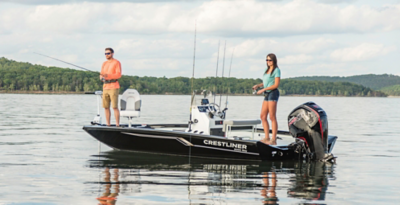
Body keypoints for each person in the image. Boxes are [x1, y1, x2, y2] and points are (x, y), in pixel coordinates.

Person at [252, 53, 281, 145]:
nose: (268, 62)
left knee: (272, 116)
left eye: (270, 60)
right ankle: (267, 137)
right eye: (267, 60)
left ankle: (273, 138)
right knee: (263, 116)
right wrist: (258, 85)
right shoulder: (266, 70)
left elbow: (275, 85)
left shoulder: (276, 70)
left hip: (273, 93)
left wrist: (263, 89)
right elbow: (266, 82)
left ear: (274, 61)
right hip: (266, 94)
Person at [100, 47, 122, 127]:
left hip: (114, 86)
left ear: (112, 54)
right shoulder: (104, 63)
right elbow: (101, 74)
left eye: (108, 53)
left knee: (114, 107)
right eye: (105, 53)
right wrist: (102, 77)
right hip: (105, 87)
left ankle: (117, 124)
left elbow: (118, 75)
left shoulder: (116, 62)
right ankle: (108, 124)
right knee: (106, 107)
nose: (107, 55)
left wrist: (108, 75)